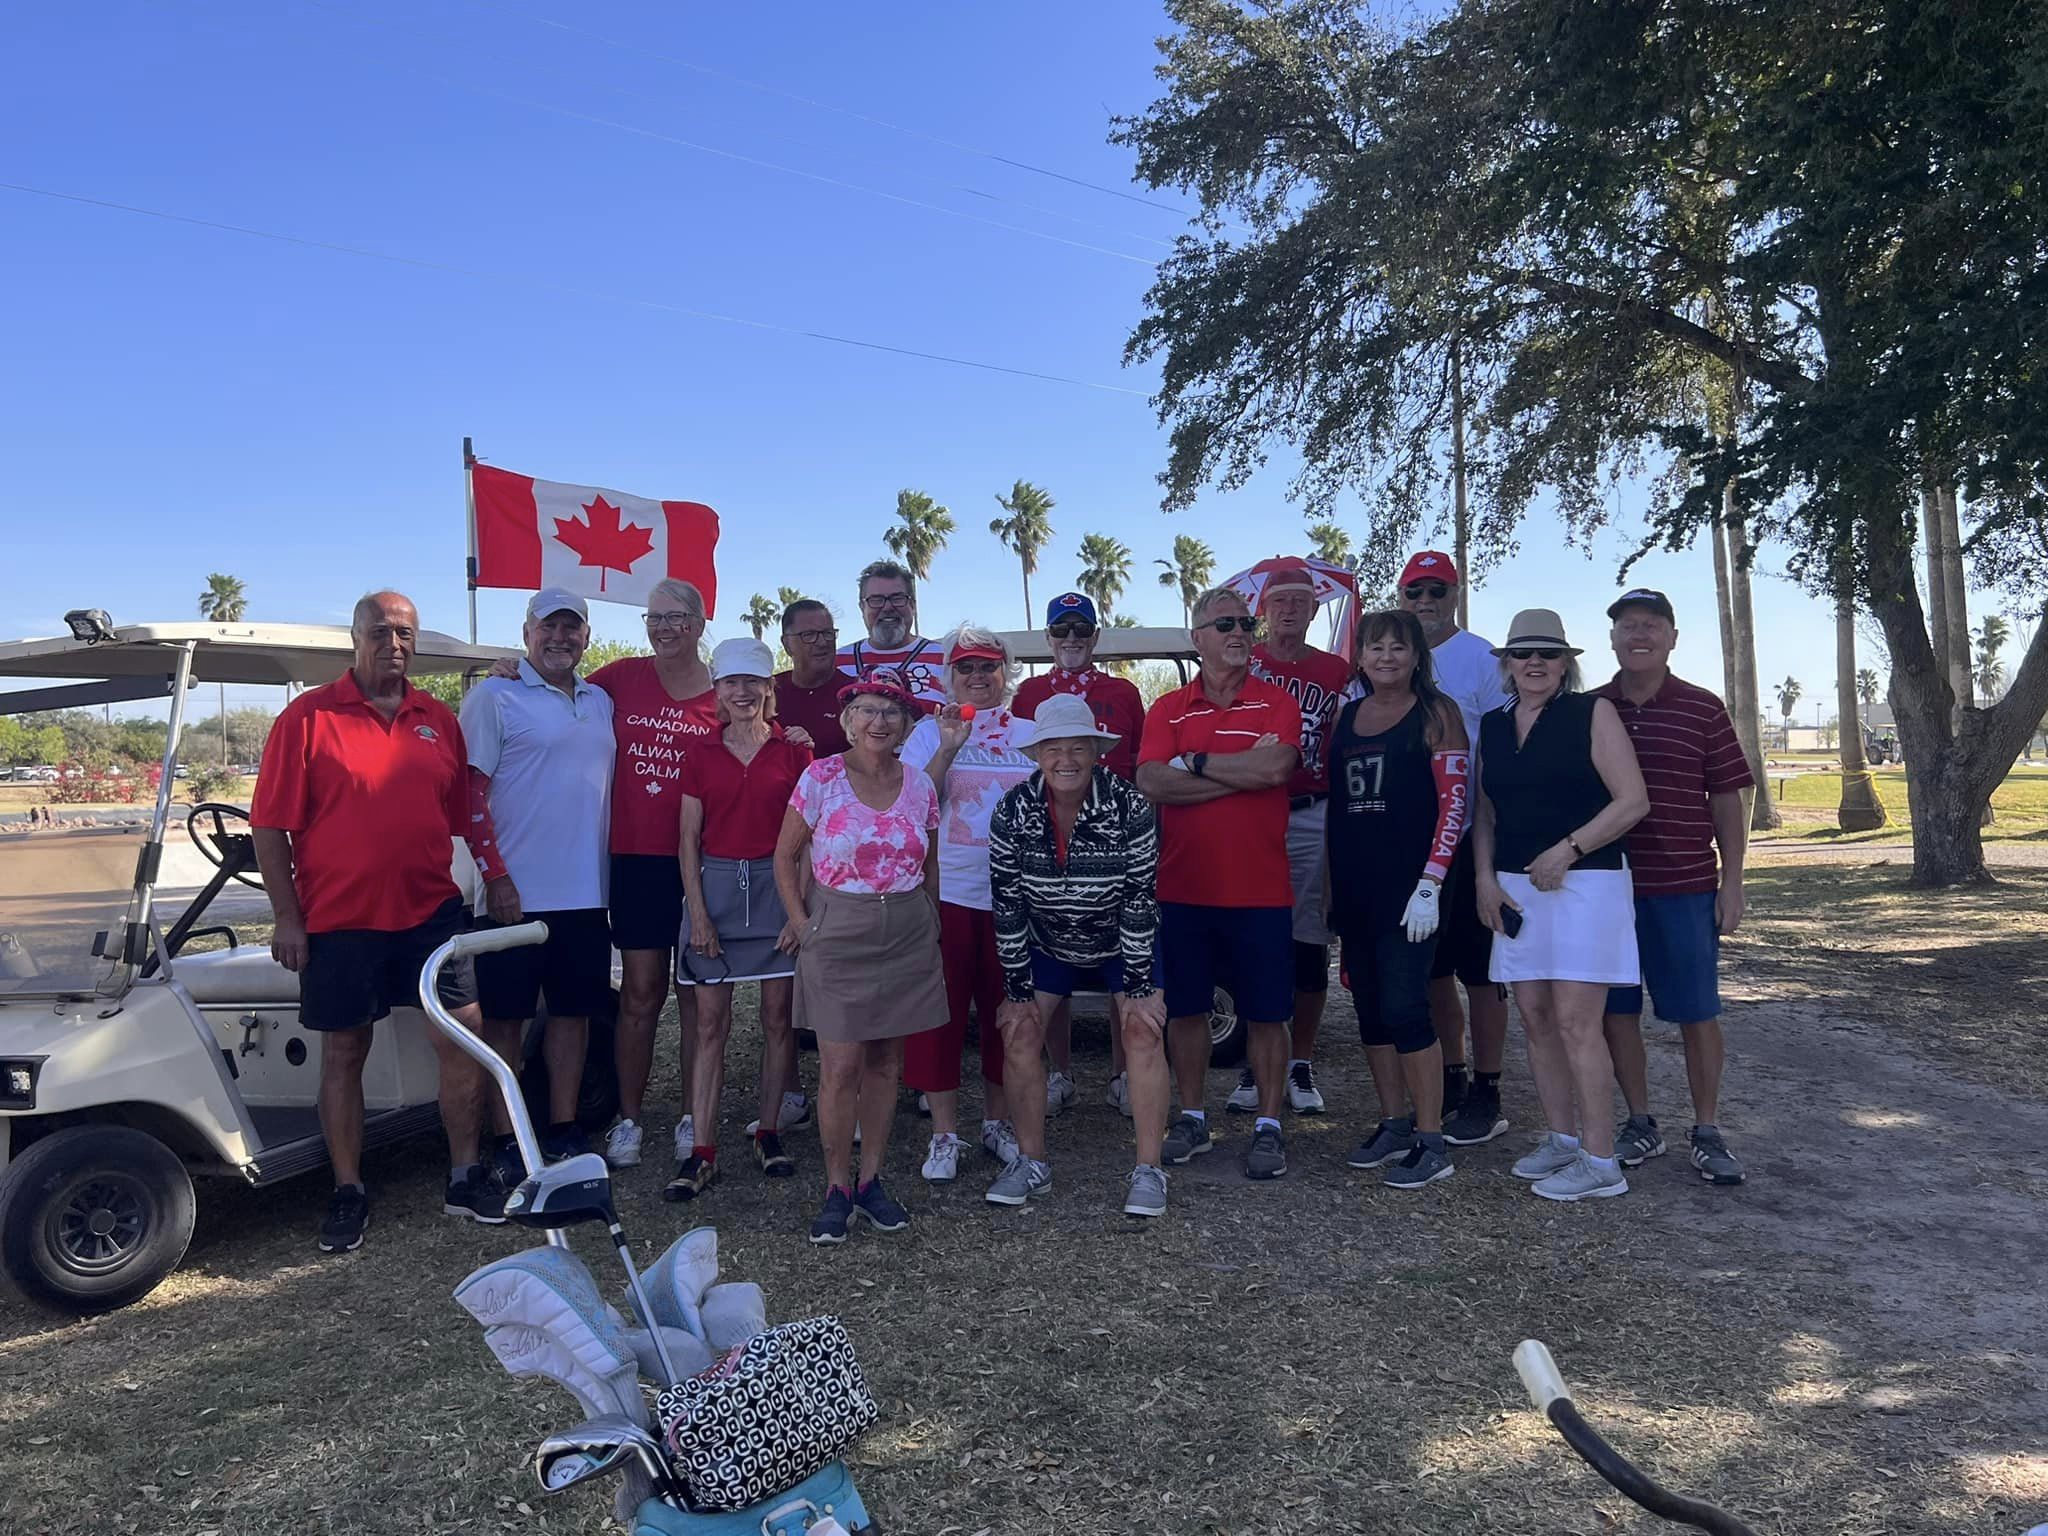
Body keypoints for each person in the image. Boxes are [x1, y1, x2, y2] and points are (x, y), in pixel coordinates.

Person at [251, 591, 508, 1253]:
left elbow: (461, 816)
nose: (394, 643)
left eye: (405, 633)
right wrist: (287, 917)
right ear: (356, 637)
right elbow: (270, 828)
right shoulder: (307, 718)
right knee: (344, 1053)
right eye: (381, 631)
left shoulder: (437, 720)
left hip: (431, 915)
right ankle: (347, 1190)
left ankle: (464, 1173)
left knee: (464, 1040)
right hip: (340, 921)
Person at [1472, 609, 1649, 1201]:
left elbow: (1632, 801)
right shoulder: (1493, 726)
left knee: (1578, 1022)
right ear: (1507, 663)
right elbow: (1486, 814)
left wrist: (1568, 851)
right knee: (1536, 1019)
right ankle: (1561, 1140)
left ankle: (1601, 1161)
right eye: (1523, 653)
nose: (1535, 663)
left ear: (1567, 663)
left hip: (1586, 883)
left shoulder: (1590, 713)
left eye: (1548, 653)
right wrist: (1483, 881)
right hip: (1516, 888)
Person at [774, 667, 948, 1244]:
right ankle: (835, 1187)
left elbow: (928, 863)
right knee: (840, 1065)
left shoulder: (920, 784)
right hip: (838, 927)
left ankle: (871, 1180)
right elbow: (784, 857)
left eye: (890, 712)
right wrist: (803, 923)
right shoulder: (820, 778)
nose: (878, 721)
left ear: (904, 725)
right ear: (848, 721)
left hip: (904, 929)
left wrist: (932, 919)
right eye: (866, 711)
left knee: (885, 1065)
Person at [1137, 587, 1302, 1181]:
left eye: (1246, 624)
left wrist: (1197, 763)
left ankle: (1268, 1125)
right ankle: (1193, 1116)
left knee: (1265, 1013)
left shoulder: (1275, 701)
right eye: (1225, 623)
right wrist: (1242, 774)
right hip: (1183, 887)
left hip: (1261, 890)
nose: (1240, 633)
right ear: (1197, 636)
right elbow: (1153, 781)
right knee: (1186, 1011)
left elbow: (1278, 768)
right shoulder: (1168, 709)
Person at [1594, 589, 1754, 1185]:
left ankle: (1707, 1130)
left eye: (1651, 625)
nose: (1639, 635)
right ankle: (1640, 1122)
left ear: (1672, 636)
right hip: (1605, 889)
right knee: (1616, 1012)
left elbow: (1727, 800)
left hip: (1684, 884)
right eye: (1628, 625)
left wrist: (1732, 882)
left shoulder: (1701, 708)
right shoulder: (1588, 708)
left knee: (1696, 1012)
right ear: (1612, 638)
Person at [987, 695, 1169, 1214]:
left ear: (1096, 751)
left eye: (1077, 748)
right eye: (1053, 749)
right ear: (1037, 754)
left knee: (1143, 1028)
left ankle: (1149, 1169)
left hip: (1120, 938)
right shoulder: (1012, 809)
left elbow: (1139, 895)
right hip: (1048, 940)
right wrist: (1018, 991)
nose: (1065, 759)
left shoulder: (1130, 805)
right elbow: (1008, 903)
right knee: (1018, 1030)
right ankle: (1031, 1162)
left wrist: (1137, 988)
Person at [459, 589, 615, 1165]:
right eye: (548, 627)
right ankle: (507, 1136)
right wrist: (495, 877)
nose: (560, 638)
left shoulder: (600, 700)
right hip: (513, 898)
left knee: (572, 1018)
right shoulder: (492, 697)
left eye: (571, 629)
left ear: (586, 637)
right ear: (526, 633)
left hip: (586, 892)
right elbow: (470, 796)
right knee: (506, 1022)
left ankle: (564, 1124)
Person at [1326, 610, 1470, 1190]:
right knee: (1370, 1011)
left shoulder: (1438, 714)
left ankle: (1433, 1139)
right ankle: (1395, 1121)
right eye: (1376, 647)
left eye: (1399, 648)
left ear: (1417, 656)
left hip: (1416, 892)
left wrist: (1433, 881)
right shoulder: (1348, 715)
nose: (1387, 657)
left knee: (1410, 1007)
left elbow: (1454, 805)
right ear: (1360, 656)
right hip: (1358, 888)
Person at [667, 638, 815, 1199]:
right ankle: (702, 1150)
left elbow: (807, 841)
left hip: (777, 892)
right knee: (710, 1025)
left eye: (753, 682)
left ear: (768, 689)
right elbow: (687, 840)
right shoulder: (699, 754)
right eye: (732, 683)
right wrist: (698, 914)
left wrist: (797, 912)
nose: (743, 692)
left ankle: (769, 1130)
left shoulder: (795, 754)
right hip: (718, 892)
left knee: (779, 1019)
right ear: (718, 691)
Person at [900, 628, 1036, 1181]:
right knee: (942, 1017)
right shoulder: (928, 733)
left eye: (988, 666)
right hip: (947, 893)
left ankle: (997, 1123)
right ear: (947, 676)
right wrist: (951, 746)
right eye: (965, 668)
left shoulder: (1030, 732)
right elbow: (910, 804)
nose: (978, 677)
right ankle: (943, 1133)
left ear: (1006, 672)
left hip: (1013, 898)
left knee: (1010, 1018)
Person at [1010, 590, 1147, 1119]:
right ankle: (1060, 1073)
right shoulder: (1027, 694)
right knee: (1052, 958)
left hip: (1113, 838)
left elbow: (1134, 764)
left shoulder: (1124, 691)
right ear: (1048, 639)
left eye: (1080, 630)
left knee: (1122, 956)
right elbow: (1022, 768)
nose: (1070, 639)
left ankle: (1122, 1073)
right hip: (1050, 839)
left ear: (1095, 636)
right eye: (1061, 631)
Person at [1397, 551, 1516, 1145]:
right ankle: (1452, 1075)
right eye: (1414, 590)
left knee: (1483, 972)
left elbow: (1503, 746)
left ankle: (1488, 1091)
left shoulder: (1483, 659)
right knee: (1433, 973)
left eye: (1436, 589)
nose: (1425, 601)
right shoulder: (1393, 659)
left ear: (1456, 592)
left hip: (1471, 838)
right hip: (1411, 844)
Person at [1236, 561, 1356, 1119]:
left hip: (1311, 808)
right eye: (1278, 601)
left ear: (1314, 609)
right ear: (1262, 609)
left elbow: (1350, 741)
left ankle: (1300, 1062)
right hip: (1251, 808)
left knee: (1309, 941)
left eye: (1299, 602)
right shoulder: (1242, 661)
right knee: (1254, 934)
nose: (1288, 610)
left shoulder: (1337, 670)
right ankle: (1252, 1063)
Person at [835, 559, 947, 713]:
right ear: (862, 607)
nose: (887, 607)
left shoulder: (946, 659)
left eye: (897, 598)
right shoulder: (837, 663)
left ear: (912, 605)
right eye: (876, 600)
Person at [774, 598, 851, 756]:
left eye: (828, 633)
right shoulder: (768, 693)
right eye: (809, 635)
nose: (822, 642)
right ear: (787, 644)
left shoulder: (853, 694)